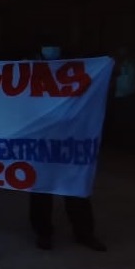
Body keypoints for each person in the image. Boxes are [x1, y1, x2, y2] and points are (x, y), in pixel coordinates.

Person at [29, 42, 106, 252]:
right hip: (41, 142)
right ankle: (43, 233)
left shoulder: (76, 68)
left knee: (76, 188)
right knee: (42, 190)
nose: (51, 49)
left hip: (72, 141)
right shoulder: (29, 70)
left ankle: (84, 233)